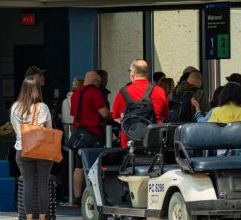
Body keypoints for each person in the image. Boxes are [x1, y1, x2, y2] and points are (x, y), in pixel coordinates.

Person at [11, 77, 53, 220]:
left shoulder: (15, 107)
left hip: (22, 149)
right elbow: (48, 130)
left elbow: (16, 130)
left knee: (28, 184)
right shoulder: (43, 107)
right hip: (42, 150)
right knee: (43, 183)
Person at [70, 71, 110, 205]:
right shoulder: (95, 92)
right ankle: (94, 195)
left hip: (78, 134)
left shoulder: (75, 93)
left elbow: (73, 113)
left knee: (79, 165)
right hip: (93, 133)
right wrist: (110, 115)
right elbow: (104, 114)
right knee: (95, 164)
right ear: (94, 81)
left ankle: (76, 197)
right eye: (98, 82)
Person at [112, 59, 169, 148]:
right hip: (154, 141)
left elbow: (116, 118)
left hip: (129, 142)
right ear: (147, 73)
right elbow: (164, 115)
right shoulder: (160, 91)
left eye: (130, 70)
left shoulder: (123, 92)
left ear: (133, 73)